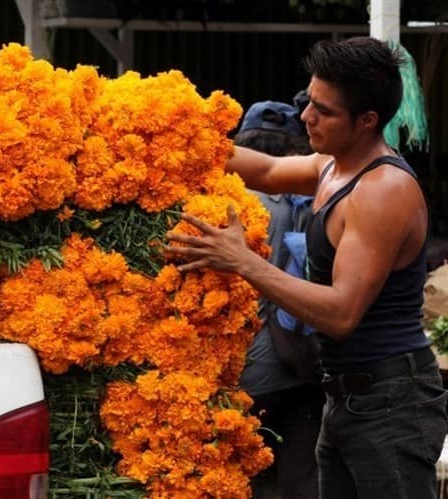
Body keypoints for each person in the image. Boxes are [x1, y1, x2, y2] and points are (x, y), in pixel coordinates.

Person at [166, 36, 448, 499]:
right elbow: (268, 171)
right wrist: (177, 139)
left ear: (367, 121)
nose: (305, 117)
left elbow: (341, 314)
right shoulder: (332, 167)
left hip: (390, 402)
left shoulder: (382, 192)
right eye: (309, 101)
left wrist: (243, 262)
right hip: (346, 395)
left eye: (323, 110)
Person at [234, 100, 323, 499]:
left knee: (238, 476)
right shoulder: (313, 202)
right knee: (301, 476)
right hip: (303, 362)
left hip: (243, 370)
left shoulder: (226, 203)